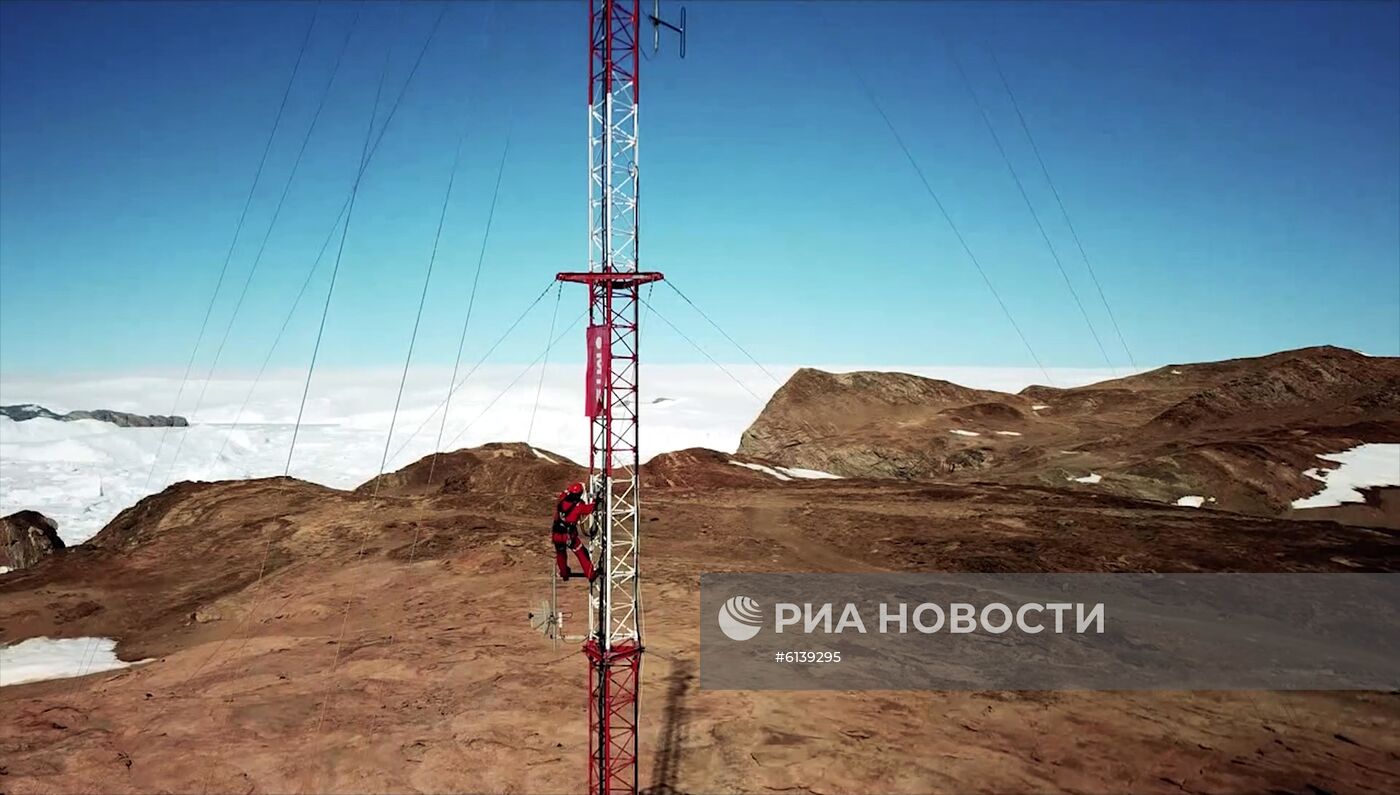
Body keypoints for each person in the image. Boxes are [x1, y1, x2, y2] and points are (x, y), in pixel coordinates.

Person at [552, 481, 599, 582]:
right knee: (581, 552)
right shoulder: (578, 506)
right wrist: (596, 500)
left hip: (556, 534)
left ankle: (564, 573)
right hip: (568, 536)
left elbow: (563, 493)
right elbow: (590, 508)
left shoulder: (562, 500)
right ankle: (590, 573)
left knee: (561, 554)